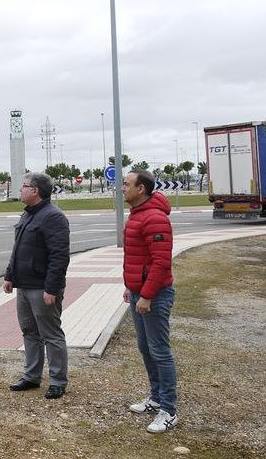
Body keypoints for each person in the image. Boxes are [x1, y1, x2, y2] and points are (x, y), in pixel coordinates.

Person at [4, 172, 71, 399]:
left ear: (36, 191)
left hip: (43, 288)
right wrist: (9, 275)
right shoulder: (27, 215)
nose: (20, 190)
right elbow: (18, 249)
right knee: (29, 332)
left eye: (24, 186)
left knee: (51, 334)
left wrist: (52, 289)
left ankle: (57, 381)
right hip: (24, 286)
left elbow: (59, 256)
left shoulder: (53, 217)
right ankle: (31, 376)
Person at [121, 170, 178, 433]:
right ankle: (155, 399)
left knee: (159, 351)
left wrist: (146, 295)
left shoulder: (154, 218)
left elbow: (161, 262)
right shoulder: (137, 215)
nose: (122, 188)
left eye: (126, 184)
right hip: (138, 293)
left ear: (141, 189)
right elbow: (137, 258)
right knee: (146, 348)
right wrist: (131, 288)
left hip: (154, 296)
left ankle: (169, 409)